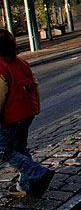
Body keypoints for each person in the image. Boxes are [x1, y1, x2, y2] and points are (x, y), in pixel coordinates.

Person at [0, 29, 55, 198]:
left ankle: (37, 172)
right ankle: (26, 186)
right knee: (20, 148)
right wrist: (34, 107)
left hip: (10, 116)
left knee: (4, 151)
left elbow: (1, 95)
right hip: (26, 113)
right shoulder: (21, 62)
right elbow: (34, 85)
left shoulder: (1, 67)